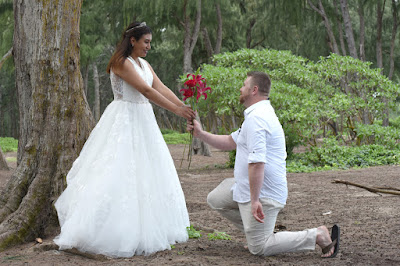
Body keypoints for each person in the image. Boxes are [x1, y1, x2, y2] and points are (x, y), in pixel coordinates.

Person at [54, 22, 195, 258]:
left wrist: (184, 107)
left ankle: (147, 228)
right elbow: (146, 91)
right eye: (146, 42)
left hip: (144, 120)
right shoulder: (121, 62)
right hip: (125, 119)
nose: (149, 46)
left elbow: (160, 87)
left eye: (150, 41)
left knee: (148, 173)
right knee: (118, 172)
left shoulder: (145, 64)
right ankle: (112, 231)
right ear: (133, 41)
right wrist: (176, 112)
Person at [187, 71, 340, 258]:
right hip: (245, 187)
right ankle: (257, 232)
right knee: (216, 199)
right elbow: (230, 141)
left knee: (259, 248)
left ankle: (317, 235)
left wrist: (255, 200)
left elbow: (257, 163)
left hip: (265, 194)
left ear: (254, 90)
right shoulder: (256, 115)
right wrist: (201, 135)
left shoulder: (258, 119)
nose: (240, 89)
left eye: (244, 85)